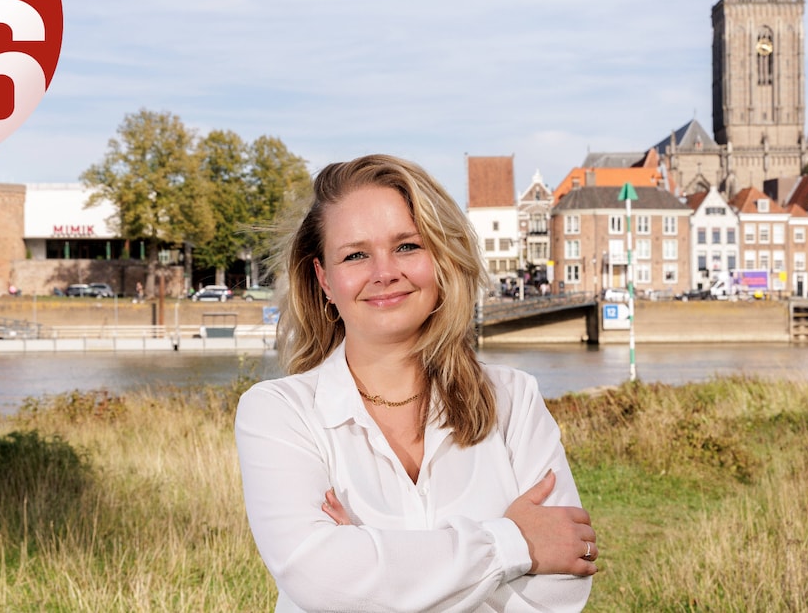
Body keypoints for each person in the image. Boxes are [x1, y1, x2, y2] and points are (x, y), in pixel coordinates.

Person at [235, 154, 596, 612]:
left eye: (407, 246)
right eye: (355, 255)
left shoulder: (514, 400)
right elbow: (318, 577)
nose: (384, 272)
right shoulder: (278, 413)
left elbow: (563, 587)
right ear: (324, 279)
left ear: (442, 258)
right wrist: (515, 543)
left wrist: (372, 565)